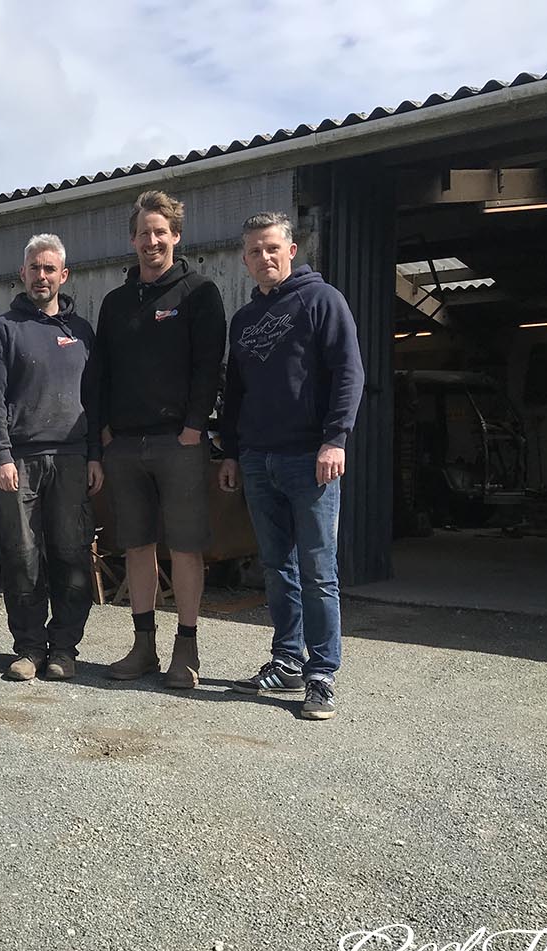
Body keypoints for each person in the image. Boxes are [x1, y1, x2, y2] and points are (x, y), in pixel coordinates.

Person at [218, 212, 365, 721]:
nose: (264, 258)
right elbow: (234, 394)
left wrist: (335, 440)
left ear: (292, 249)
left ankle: (322, 673)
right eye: (254, 251)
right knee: (277, 567)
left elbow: (349, 371)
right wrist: (232, 451)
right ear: (245, 258)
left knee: (317, 569)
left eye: (272, 248)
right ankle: (286, 659)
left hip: (311, 458)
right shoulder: (244, 320)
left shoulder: (322, 301)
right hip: (259, 459)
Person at [85, 190, 226, 688]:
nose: (152, 241)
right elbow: (99, 373)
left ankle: (185, 651)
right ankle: (142, 646)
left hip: (178, 443)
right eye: (144, 233)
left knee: (185, 549)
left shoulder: (198, 293)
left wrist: (194, 426)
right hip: (124, 446)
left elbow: (209, 366)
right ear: (133, 239)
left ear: (176, 237)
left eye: (160, 232)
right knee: (137, 547)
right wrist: (103, 431)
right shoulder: (116, 303)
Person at [0, 234, 101, 681]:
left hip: (71, 458)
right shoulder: (2, 331)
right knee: (22, 556)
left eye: (50, 269)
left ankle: (64, 648)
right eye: (35, 268)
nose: (42, 276)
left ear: (63, 276)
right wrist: (1, 455)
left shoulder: (81, 332)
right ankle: (28, 648)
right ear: (22, 274)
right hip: (20, 462)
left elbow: (95, 398)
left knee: (71, 553)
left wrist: (94, 455)